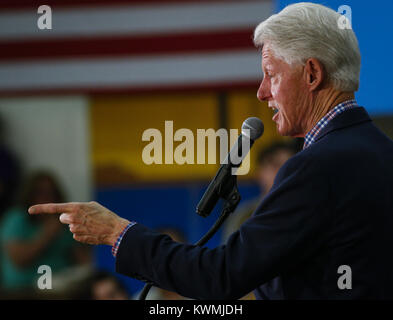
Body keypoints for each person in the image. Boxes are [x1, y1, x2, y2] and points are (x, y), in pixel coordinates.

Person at [28, 3, 393, 299]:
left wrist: (118, 232)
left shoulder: (316, 167)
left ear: (312, 75)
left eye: (271, 74)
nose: (262, 92)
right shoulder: (381, 153)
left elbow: (221, 277)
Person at [0, 171, 91, 291]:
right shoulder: (16, 219)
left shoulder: (62, 220)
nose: (46, 198)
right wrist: (47, 235)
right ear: (29, 194)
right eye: (40, 193)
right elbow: (19, 259)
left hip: (62, 288)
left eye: (51, 193)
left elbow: (82, 260)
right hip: (24, 289)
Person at [221, 141, 299, 242]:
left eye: (289, 166)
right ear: (260, 172)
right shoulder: (244, 216)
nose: (283, 171)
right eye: (276, 165)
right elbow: (231, 255)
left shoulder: (306, 212)